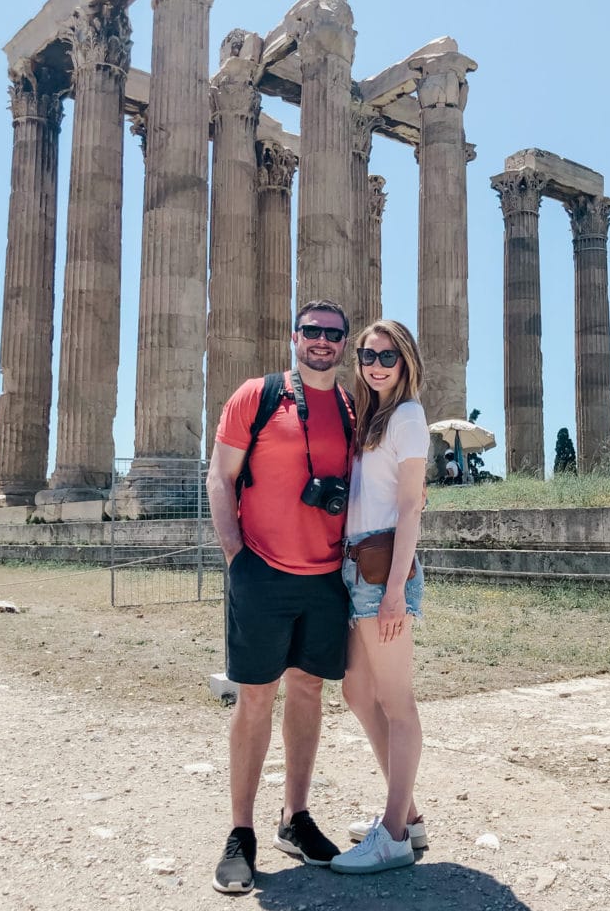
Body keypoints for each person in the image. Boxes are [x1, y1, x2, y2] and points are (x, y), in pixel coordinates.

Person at [207, 300, 353, 893]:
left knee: (310, 690)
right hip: (261, 570)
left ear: (344, 344)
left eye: (333, 334)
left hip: (325, 575)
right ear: (295, 337)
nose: (322, 341)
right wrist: (235, 556)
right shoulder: (257, 395)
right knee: (255, 698)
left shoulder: (351, 406)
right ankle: (241, 831)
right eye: (312, 331)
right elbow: (220, 476)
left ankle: (295, 817)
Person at [329, 320, 429, 876]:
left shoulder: (409, 416)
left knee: (396, 700)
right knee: (357, 691)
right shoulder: (373, 419)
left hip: (382, 569)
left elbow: (411, 505)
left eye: (387, 356)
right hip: (357, 567)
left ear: (405, 360)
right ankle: (407, 813)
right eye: (368, 355)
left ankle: (392, 836)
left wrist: (394, 591)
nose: (376, 364)